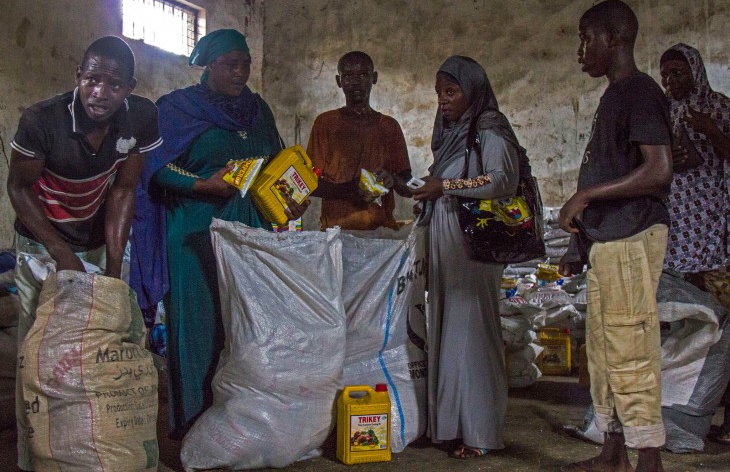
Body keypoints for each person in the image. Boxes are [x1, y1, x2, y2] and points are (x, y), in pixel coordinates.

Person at [130, 29, 308, 439]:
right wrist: (201, 185)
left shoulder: (257, 110)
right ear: (208, 63)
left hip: (250, 231)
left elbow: (275, 164)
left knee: (248, 326)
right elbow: (155, 169)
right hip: (196, 232)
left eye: (246, 63)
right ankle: (195, 425)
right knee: (200, 325)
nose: (241, 72)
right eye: (232, 64)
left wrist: (292, 197)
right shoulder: (176, 108)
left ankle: (245, 426)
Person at [7, 36, 161, 471]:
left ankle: (98, 450)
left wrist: (112, 272)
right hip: (41, 242)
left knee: (103, 343)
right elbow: (18, 188)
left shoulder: (141, 119)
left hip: (96, 239)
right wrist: (59, 253)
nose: (100, 92)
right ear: (78, 76)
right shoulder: (41, 121)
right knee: (36, 354)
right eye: (92, 79)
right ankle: (34, 459)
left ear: (129, 88)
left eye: (113, 84)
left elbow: (124, 190)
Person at [558, 0, 673, 472]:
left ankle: (649, 459)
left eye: (587, 38)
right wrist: (578, 242)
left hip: (632, 238)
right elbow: (613, 169)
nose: (580, 50)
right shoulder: (614, 97)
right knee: (605, 351)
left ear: (615, 39)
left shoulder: (640, 92)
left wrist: (585, 196)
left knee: (630, 346)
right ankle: (612, 453)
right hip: (608, 242)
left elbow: (659, 170)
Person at [411, 55, 524, 459]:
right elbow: (445, 183)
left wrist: (448, 185)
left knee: (473, 330)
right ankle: (450, 427)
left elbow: (501, 180)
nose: (443, 100)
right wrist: (424, 191)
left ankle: (481, 431)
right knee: (448, 329)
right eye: (439, 92)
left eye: (451, 91)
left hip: (475, 242)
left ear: (472, 91)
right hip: (447, 236)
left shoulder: (489, 127)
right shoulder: (450, 133)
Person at [659, 43, 730, 446]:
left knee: (724, 326)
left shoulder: (719, 109)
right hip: (679, 236)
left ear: (696, 72)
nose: (670, 81)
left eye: (677, 73)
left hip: (716, 236)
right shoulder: (664, 114)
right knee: (686, 324)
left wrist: (712, 133)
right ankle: (682, 408)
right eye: (665, 75)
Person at [307, 51, 412, 230]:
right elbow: (309, 182)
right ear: (339, 82)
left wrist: (393, 179)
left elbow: (408, 187)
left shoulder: (389, 126)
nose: (356, 82)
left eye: (363, 74)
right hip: (336, 231)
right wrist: (348, 190)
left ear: (374, 78)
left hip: (380, 232)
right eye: (348, 76)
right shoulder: (325, 123)